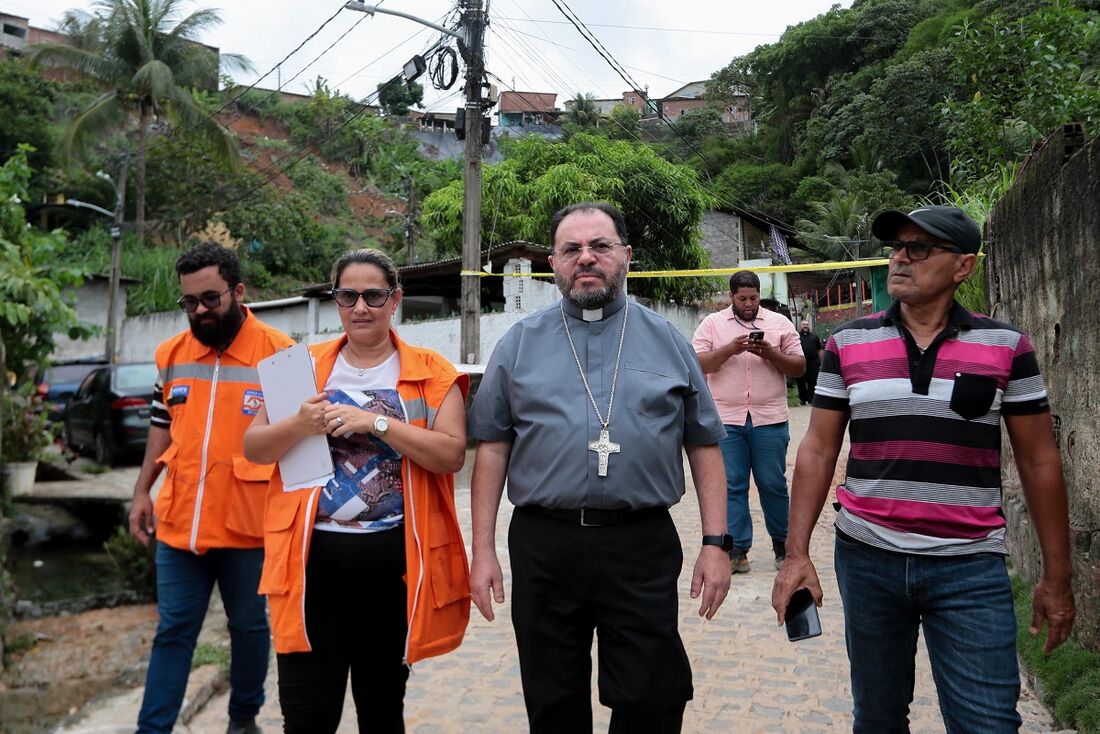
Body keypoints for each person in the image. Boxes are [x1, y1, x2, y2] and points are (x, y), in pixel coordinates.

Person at [772, 205, 1076, 733]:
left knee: (987, 722)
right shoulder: (849, 343)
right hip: (868, 558)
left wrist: (1058, 574)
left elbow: (1038, 459)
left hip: (970, 564)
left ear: (963, 266)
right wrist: (796, 555)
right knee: (878, 718)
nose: (900, 259)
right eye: (897, 247)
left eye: (919, 248)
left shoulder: (1006, 347)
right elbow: (818, 450)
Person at [467, 202, 731, 734]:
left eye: (600, 246)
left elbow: (704, 444)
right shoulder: (519, 344)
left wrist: (715, 543)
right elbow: (492, 448)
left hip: (640, 543)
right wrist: (482, 550)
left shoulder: (668, 342)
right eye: (571, 249)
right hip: (545, 544)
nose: (585, 258)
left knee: (652, 698)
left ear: (626, 255)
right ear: (554, 263)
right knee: (553, 700)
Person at [243, 248, 470, 733]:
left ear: (396, 300)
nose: (360, 307)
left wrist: (377, 423)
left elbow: (451, 454)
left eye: (373, 296)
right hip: (310, 570)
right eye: (348, 296)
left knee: (381, 711)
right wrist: (298, 424)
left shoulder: (432, 372)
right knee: (306, 717)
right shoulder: (298, 366)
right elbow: (254, 448)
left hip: (391, 572)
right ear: (336, 300)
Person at [129, 242, 294, 734]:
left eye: (210, 299)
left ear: (238, 292)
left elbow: (300, 445)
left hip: (249, 526)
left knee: (249, 627)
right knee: (173, 631)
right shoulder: (171, 355)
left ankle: (242, 719)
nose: (199, 311)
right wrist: (141, 492)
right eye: (189, 302)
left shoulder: (281, 356)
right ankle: (152, 730)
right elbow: (161, 427)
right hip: (180, 525)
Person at [692, 271, 805, 574]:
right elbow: (696, 362)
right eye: (742, 298)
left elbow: (799, 367)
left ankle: (783, 546)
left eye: (753, 298)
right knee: (733, 485)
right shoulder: (712, 324)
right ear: (731, 296)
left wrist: (771, 354)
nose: (748, 304)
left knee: (773, 484)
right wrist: (730, 349)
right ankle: (737, 550)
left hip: (770, 419)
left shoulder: (779, 323)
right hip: (727, 420)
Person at [795, 319, 823, 405]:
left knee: (812, 381)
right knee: (801, 381)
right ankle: (803, 399)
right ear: (800, 326)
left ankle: (811, 399)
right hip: (800, 361)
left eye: (807, 324)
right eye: (803, 324)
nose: (805, 326)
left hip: (813, 362)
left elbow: (819, 349)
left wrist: (822, 361)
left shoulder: (814, 337)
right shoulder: (796, 337)